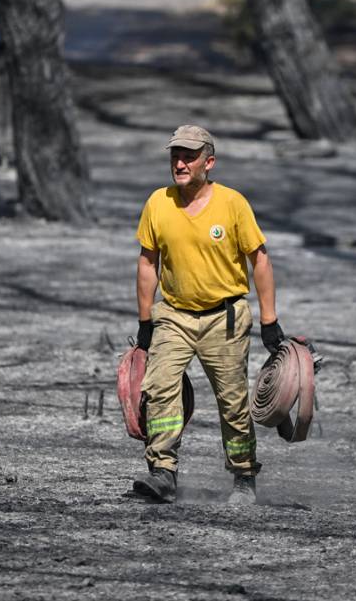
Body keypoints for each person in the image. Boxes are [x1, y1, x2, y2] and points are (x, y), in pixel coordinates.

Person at [131, 125, 285, 505]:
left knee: (232, 403)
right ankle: (162, 473)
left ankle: (244, 476)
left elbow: (260, 261)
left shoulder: (233, 204)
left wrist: (269, 322)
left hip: (225, 318)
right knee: (160, 387)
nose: (180, 163)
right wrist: (145, 321)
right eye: (175, 156)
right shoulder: (158, 203)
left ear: (209, 162)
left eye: (189, 156)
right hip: (174, 316)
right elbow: (148, 264)